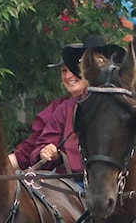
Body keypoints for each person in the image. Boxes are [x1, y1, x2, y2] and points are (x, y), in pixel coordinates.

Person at [35, 35, 128, 176]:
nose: (95, 67)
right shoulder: (66, 109)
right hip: (72, 184)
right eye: (87, 62)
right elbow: (43, 146)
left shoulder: (125, 105)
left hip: (115, 182)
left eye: (99, 61)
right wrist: (45, 151)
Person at [8, 38, 96, 171]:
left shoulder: (107, 104)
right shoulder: (59, 108)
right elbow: (32, 148)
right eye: (64, 71)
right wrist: (44, 152)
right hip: (67, 183)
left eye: (73, 69)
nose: (68, 76)